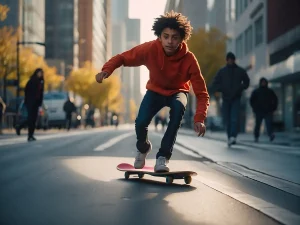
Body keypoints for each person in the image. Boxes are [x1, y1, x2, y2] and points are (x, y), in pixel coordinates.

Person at [95, 11, 209, 172]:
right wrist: (106, 71)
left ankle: (162, 157)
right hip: (155, 91)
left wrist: (199, 118)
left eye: (175, 37)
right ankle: (143, 148)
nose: (170, 41)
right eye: (166, 36)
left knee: (178, 110)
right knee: (140, 122)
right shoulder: (150, 49)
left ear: (182, 39)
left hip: (177, 92)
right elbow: (123, 57)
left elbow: (202, 93)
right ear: (160, 36)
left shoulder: (189, 59)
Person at [211, 52, 250, 146]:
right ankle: (229, 137)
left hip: (236, 98)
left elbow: (247, 82)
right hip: (226, 99)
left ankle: (233, 136)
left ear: (234, 60)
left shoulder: (240, 71)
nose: (230, 61)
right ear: (227, 60)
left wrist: (241, 87)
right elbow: (215, 83)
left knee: (234, 118)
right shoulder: (222, 71)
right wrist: (221, 89)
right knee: (227, 119)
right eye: (229, 60)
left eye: (232, 60)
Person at [250, 78, 278, 142]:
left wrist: (273, 108)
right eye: (262, 82)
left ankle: (271, 135)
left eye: (264, 82)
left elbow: (275, 99)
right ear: (260, 83)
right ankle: (256, 136)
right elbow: (251, 101)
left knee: (269, 124)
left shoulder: (270, 91)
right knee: (258, 125)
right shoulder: (256, 91)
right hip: (259, 111)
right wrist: (255, 108)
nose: (263, 83)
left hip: (268, 111)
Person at [22, 68, 44, 141]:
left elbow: (41, 93)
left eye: (41, 73)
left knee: (34, 119)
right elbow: (27, 91)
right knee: (30, 118)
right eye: (39, 73)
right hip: (30, 102)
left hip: (36, 103)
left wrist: (40, 102)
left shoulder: (41, 81)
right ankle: (29, 134)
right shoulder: (32, 81)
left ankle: (31, 134)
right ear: (36, 73)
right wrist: (28, 100)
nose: (40, 74)